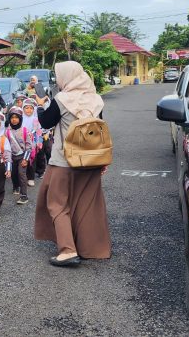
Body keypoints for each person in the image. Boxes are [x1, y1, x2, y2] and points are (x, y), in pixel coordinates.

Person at [33, 61, 111, 267]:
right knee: (87, 204)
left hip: (64, 161)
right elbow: (99, 131)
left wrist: (42, 105)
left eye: (59, 75)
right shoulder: (96, 99)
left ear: (66, 77)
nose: (58, 79)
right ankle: (91, 248)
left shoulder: (62, 99)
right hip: (91, 160)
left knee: (57, 203)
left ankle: (67, 250)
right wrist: (102, 160)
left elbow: (45, 122)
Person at [6, 106, 32, 204]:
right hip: (12, 157)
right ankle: (15, 186)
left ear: (20, 119)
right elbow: (6, 146)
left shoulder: (25, 130)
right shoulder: (7, 132)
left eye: (16, 117)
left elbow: (29, 146)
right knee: (14, 173)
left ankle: (24, 195)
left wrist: (26, 159)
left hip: (22, 156)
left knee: (22, 174)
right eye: (12, 117)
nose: (14, 120)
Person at [22, 99, 43, 185]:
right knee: (22, 159)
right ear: (23, 109)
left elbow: (39, 131)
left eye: (31, 108)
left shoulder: (35, 119)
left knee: (32, 160)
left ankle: (31, 178)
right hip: (22, 143)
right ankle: (23, 177)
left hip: (32, 143)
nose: (29, 110)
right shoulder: (20, 118)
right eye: (26, 108)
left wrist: (39, 142)